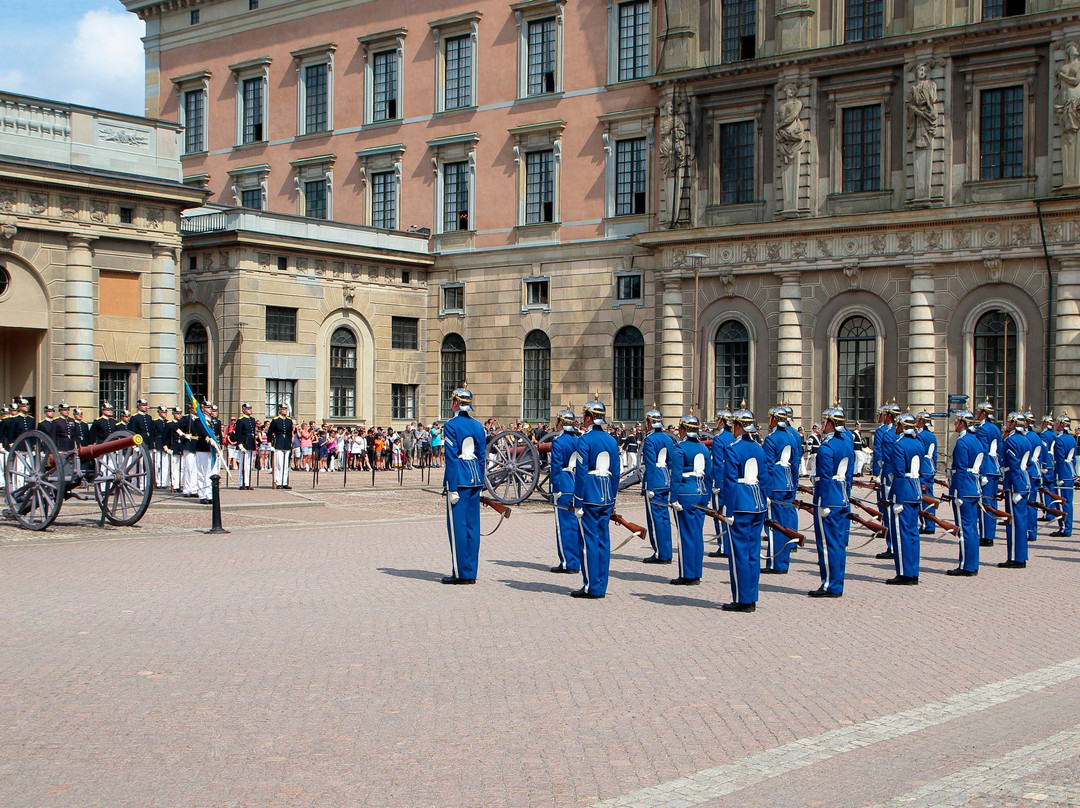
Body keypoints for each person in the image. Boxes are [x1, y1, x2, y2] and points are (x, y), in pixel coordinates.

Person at [570, 396, 621, 598]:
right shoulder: (611, 440)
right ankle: (601, 584)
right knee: (603, 542)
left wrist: (578, 500)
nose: (583, 419)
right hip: (607, 495)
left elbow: (581, 472)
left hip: (589, 495)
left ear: (590, 418)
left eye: (585, 416)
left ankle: (591, 586)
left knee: (589, 542)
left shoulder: (585, 440)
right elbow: (616, 473)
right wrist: (613, 497)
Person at [722, 405, 766, 612]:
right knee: (753, 553)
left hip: (740, 504)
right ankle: (752, 596)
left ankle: (743, 598)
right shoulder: (759, 448)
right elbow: (765, 479)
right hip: (757, 504)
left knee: (739, 553)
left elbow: (730, 482)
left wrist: (728, 510)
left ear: (739, 426)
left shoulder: (732, 449)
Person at [441, 386, 487, 585]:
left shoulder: (451, 425)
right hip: (475, 479)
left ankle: (461, 573)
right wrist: (481, 481)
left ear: (456, 403)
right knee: (472, 528)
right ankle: (471, 570)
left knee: (458, 528)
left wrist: (451, 487)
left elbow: (451, 458)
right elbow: (482, 457)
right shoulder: (478, 426)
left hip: (459, 480)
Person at [809, 404, 855, 597]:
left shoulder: (826, 448)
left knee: (827, 544)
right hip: (842, 495)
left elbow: (825, 478)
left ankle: (830, 584)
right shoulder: (846, 443)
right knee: (838, 543)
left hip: (828, 498)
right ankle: (837, 581)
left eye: (824, 422)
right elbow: (850, 474)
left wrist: (824, 503)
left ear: (830, 423)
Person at [669, 412, 711, 585]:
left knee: (685, 535)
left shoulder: (679, 448)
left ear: (684, 429)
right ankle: (697, 572)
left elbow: (676, 475)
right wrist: (707, 495)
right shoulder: (703, 448)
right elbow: (709, 475)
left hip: (686, 493)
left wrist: (672, 497)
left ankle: (687, 574)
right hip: (701, 492)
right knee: (697, 534)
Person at [883, 412, 923, 585]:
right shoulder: (918, 443)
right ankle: (913, 571)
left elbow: (899, 474)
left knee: (901, 534)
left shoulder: (899, 445)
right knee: (913, 533)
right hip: (915, 490)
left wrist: (897, 498)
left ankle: (904, 572)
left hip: (904, 492)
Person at [762, 404, 802, 574]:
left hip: (776, 484)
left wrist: (766, 489)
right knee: (785, 523)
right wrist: (793, 483)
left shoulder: (771, 439)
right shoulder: (791, 437)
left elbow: (768, 467)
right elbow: (795, 463)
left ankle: (775, 562)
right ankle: (784, 561)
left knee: (775, 526)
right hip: (787, 482)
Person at [947, 409, 984, 576]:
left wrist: (958, 493)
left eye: (956, 422)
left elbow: (961, 469)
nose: (955, 424)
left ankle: (965, 566)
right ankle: (973, 564)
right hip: (974, 487)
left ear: (962, 423)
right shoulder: (976, 441)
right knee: (972, 529)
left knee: (964, 529)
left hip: (964, 488)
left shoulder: (962, 442)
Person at [548, 407, 582, 574]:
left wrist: (555, 487)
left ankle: (568, 562)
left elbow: (555, 467)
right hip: (577, 485)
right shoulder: (579, 440)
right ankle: (576, 560)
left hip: (564, 484)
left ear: (560, 423)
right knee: (575, 525)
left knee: (563, 527)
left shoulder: (558, 442)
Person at [641, 407, 675, 565]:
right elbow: (671, 462)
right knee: (664, 519)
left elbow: (650, 464)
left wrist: (649, 486)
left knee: (655, 520)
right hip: (665, 479)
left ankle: (659, 553)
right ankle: (667, 551)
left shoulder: (650, 440)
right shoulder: (668, 439)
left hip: (654, 481)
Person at [1000, 411, 1033, 568]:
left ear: (1014, 424)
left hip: (1015, 484)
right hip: (1024, 480)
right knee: (1021, 521)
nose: (1007, 424)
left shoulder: (1011, 441)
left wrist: (1017, 489)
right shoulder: (1026, 440)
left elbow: (1013, 466)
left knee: (1014, 522)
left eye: (1009, 422)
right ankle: (1021, 555)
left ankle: (1015, 557)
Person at [872, 401, 900, 559]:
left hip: (887, 476)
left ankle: (891, 545)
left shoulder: (885, 433)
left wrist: (877, 473)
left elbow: (880, 455)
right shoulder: (902, 433)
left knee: (887, 511)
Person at [974, 399, 1003, 548]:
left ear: (984, 413)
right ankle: (990, 533)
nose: (977, 414)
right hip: (995, 467)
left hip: (987, 469)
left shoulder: (983, 429)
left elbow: (983, 451)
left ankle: (986, 535)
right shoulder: (996, 428)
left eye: (979, 412)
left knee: (985, 503)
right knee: (992, 502)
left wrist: (983, 472)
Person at [707, 409, 735, 558]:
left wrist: (717, 483)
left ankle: (723, 546)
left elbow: (718, 463)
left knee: (719, 514)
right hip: (734, 480)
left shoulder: (719, 439)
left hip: (722, 480)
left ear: (722, 421)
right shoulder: (735, 437)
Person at [1051, 413, 1076, 537]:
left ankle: (1064, 528)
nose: (1055, 425)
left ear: (1061, 424)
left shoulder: (1059, 439)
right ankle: (1068, 527)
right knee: (1068, 502)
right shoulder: (1072, 438)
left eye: (1057, 423)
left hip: (1062, 473)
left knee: (1061, 502)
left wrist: (1059, 475)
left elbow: (1059, 459)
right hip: (1070, 471)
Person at [915, 412, 938, 535]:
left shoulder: (921, 436)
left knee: (924, 498)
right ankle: (930, 523)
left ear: (922, 422)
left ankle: (927, 524)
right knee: (929, 496)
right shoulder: (932, 435)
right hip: (930, 467)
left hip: (923, 467)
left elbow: (918, 452)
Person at [267, 403, 294, 489]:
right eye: (283, 409)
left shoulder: (289, 421)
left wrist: (290, 443)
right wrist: (269, 443)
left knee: (286, 465)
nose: (285, 411)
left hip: (286, 443)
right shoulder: (275, 420)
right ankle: (278, 482)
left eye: (286, 409)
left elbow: (290, 433)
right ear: (279, 410)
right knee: (279, 464)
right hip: (278, 442)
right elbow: (270, 432)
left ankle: (284, 482)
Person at [233, 402, 257, 489]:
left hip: (250, 443)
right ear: (243, 410)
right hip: (244, 443)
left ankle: (247, 482)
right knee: (243, 464)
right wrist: (239, 444)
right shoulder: (241, 420)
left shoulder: (252, 420)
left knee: (249, 465)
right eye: (248, 408)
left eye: (250, 408)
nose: (250, 410)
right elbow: (238, 433)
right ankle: (241, 483)